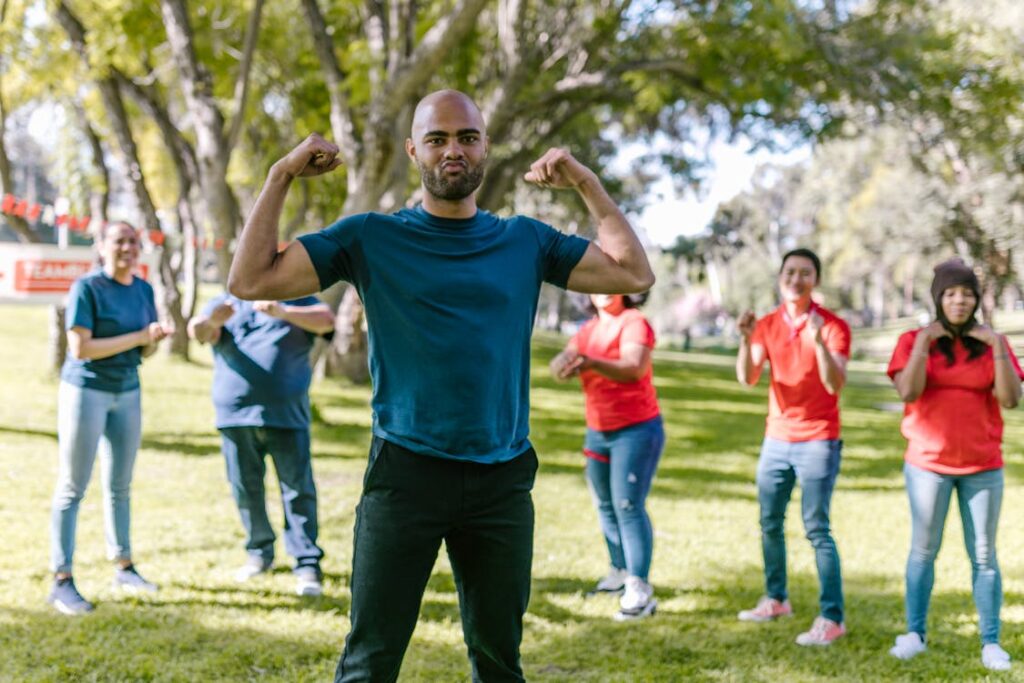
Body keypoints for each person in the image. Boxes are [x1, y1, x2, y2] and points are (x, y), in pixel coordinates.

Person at [227, 89, 654, 682]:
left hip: (501, 480)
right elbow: (250, 278)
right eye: (437, 138)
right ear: (414, 151)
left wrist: (585, 182)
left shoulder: (527, 241)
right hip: (405, 474)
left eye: (466, 137)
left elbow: (634, 273)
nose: (453, 149)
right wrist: (280, 176)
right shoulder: (371, 237)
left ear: (484, 147)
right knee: (369, 662)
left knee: (500, 664)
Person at [886, 258, 1022, 671]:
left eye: (966, 293)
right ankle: (914, 633)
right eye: (950, 293)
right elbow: (908, 391)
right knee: (923, 551)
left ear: (976, 299)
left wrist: (996, 344)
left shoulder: (991, 343)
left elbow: (1011, 398)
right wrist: (926, 342)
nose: (959, 301)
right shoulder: (913, 340)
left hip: (982, 466)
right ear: (938, 298)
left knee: (983, 555)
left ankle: (990, 641)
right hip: (927, 464)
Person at [48, 221, 172, 615]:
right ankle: (61, 579)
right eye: (120, 241)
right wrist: (138, 338)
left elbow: (143, 352)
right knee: (73, 487)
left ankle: (124, 566)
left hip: (128, 391)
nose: (128, 248)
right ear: (101, 247)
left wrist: (152, 339)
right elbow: (80, 348)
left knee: (120, 486)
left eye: (134, 242)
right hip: (86, 391)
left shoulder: (144, 289)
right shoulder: (87, 287)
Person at [734, 248, 850, 646]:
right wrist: (747, 338)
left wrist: (818, 341)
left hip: (818, 439)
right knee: (769, 523)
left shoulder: (833, 326)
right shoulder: (766, 324)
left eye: (805, 273)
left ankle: (832, 618)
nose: (796, 279)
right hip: (776, 440)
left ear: (815, 280)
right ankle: (776, 598)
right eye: (790, 271)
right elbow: (748, 377)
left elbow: (835, 383)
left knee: (817, 529)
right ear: (781, 276)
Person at [187, 294, 335, 596]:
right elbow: (199, 333)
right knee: (245, 488)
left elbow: (327, 322)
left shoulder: (300, 300)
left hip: (287, 416)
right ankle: (259, 552)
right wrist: (212, 320)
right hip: (235, 417)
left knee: (298, 490)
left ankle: (306, 563)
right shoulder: (226, 304)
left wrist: (284, 311)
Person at [550, 293, 663, 621]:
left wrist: (591, 362)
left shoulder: (634, 323)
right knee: (604, 504)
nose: (604, 288)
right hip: (597, 430)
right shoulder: (589, 330)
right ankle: (619, 571)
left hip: (636, 429)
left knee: (628, 505)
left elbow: (633, 368)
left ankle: (639, 589)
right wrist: (562, 365)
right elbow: (561, 365)